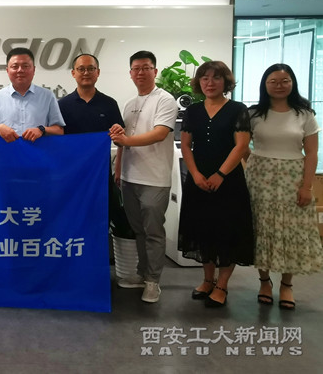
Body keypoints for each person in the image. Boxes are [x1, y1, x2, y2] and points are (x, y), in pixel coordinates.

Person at [246, 63, 323, 310]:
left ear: (292, 83)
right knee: (262, 229)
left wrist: (307, 186)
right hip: (260, 179)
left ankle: (287, 285)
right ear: (265, 84)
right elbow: (241, 146)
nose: (279, 86)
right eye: (273, 81)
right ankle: (264, 282)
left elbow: (312, 153)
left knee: (291, 231)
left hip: (293, 178)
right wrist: (255, 163)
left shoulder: (305, 114)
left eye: (284, 81)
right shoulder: (253, 113)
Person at [177, 61, 254, 308]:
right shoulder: (193, 111)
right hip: (198, 180)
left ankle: (222, 285)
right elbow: (186, 145)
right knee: (203, 230)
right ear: (199, 82)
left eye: (216, 78)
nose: (210, 83)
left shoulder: (237, 109)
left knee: (227, 231)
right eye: (205, 78)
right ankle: (207, 280)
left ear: (226, 82)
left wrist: (220, 174)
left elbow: (241, 146)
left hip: (229, 181)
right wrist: (195, 174)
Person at [110, 50, 178, 303]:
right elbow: (122, 141)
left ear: (155, 71)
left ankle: (153, 282)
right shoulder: (129, 104)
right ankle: (142, 274)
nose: (141, 72)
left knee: (153, 232)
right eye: (136, 69)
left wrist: (126, 141)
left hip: (155, 178)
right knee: (139, 231)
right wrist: (119, 168)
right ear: (130, 73)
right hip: (130, 177)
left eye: (146, 68)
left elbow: (159, 133)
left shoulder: (165, 100)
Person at [58, 53, 127, 252]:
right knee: (71, 221)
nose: (86, 73)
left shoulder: (109, 104)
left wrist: (118, 167)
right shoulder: (62, 105)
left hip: (100, 177)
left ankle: (96, 265)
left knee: (99, 222)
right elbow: (56, 141)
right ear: (73, 73)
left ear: (98, 72)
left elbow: (120, 139)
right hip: (71, 177)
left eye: (90, 69)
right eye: (81, 69)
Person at [0, 47, 64, 142]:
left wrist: (41, 130)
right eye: (15, 66)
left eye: (25, 66)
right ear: (7, 70)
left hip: (38, 151)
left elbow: (59, 130)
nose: (20, 70)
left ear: (34, 70)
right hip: (6, 151)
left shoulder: (47, 96)